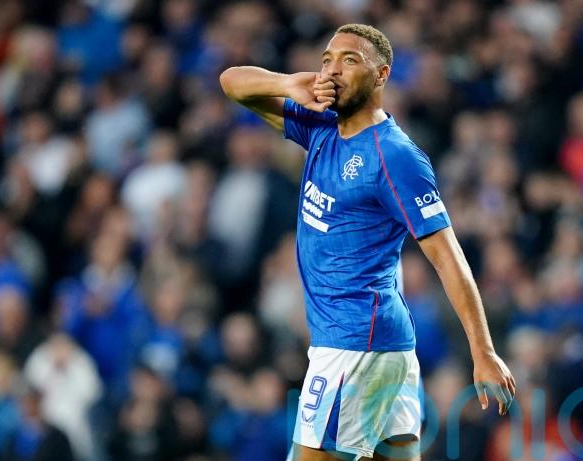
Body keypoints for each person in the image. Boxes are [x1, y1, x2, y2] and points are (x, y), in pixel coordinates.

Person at [219, 24, 516, 461]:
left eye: (349, 60)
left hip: (354, 345)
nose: (333, 69)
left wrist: (483, 350)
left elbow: (447, 256)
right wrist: (290, 84)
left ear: (381, 75)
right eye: (327, 60)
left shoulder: (394, 155)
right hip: (381, 348)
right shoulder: (319, 127)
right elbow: (232, 83)